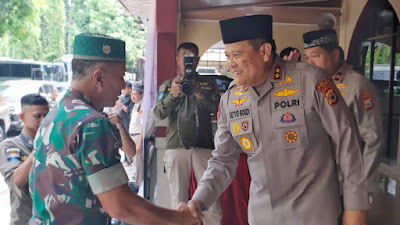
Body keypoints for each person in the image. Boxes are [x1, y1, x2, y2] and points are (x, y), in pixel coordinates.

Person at [187, 15, 369, 225]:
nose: (231, 64)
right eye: (228, 56)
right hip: (262, 216)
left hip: (314, 214)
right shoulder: (231, 99)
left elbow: (347, 140)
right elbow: (222, 161)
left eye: (237, 55)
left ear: (264, 52)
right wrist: (199, 200)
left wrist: (355, 206)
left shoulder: (311, 81)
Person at [29, 33, 199, 225]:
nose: (122, 85)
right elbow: (121, 206)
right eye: (121, 76)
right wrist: (180, 218)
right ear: (99, 77)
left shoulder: (55, 115)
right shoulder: (92, 123)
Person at [302, 28, 383, 224]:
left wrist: (365, 187)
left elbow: (372, 139)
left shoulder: (358, 86)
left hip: (344, 182)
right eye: (307, 57)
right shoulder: (310, 84)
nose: (310, 62)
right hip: (314, 180)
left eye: (315, 56)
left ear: (335, 55)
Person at [154, 42, 222, 225]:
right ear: (178, 60)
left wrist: (201, 94)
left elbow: (220, 111)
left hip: (204, 144)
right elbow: (159, 113)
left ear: (198, 59)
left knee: (211, 199)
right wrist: (173, 95)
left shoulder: (208, 83)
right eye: (185, 58)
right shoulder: (168, 85)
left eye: (192, 57)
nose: (188, 62)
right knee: (178, 200)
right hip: (176, 145)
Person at [0, 94, 49, 225]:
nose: (44, 120)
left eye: (47, 115)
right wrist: (39, 146)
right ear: (22, 117)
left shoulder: (53, 144)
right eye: (38, 116)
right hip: (25, 220)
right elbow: (16, 181)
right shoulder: (11, 146)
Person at [129, 84, 144, 187]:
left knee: (139, 163)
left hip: (138, 136)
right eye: (132, 94)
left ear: (141, 95)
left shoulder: (141, 107)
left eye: (135, 94)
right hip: (133, 136)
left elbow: (143, 125)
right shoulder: (135, 105)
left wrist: (139, 143)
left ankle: (138, 185)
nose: (132, 96)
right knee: (135, 162)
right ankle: (137, 182)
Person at [119, 81, 135, 166]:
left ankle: (128, 160)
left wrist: (121, 105)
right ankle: (125, 158)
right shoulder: (124, 97)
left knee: (126, 138)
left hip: (127, 121)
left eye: (125, 88)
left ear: (129, 89)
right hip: (123, 120)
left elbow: (129, 110)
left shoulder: (130, 99)